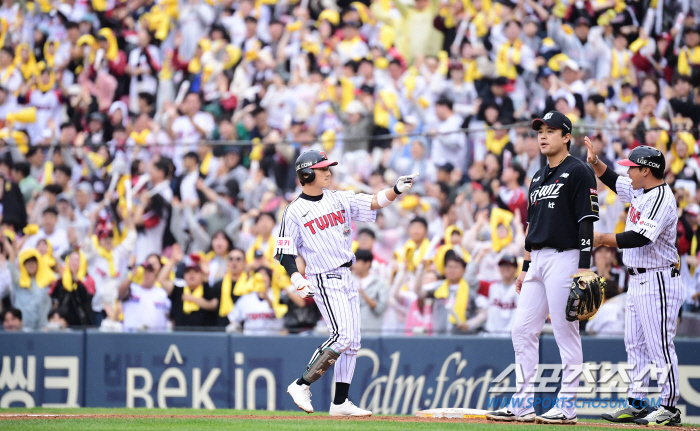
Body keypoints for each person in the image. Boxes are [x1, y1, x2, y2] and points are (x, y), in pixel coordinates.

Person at [277, 150, 418, 416]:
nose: (328, 172)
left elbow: (375, 201)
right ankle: (301, 384)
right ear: (306, 174)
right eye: (322, 168)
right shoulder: (294, 211)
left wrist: (396, 190)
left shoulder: (339, 198)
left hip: (346, 274)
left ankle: (340, 402)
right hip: (323, 276)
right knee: (342, 336)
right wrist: (297, 277)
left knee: (352, 341)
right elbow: (285, 252)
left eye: (328, 167)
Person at [486, 111, 599, 424]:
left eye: (551, 130)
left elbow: (587, 221)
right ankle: (521, 403)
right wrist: (524, 267)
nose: (543, 136)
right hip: (538, 259)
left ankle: (567, 406)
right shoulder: (537, 177)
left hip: (567, 256)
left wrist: (584, 266)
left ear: (566, 136)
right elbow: (530, 226)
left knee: (566, 333)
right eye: (540, 131)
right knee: (521, 329)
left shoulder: (578, 171)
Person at [585, 141, 683, 426]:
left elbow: (640, 237)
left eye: (632, 168)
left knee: (660, 346)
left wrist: (603, 239)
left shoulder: (662, 198)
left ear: (647, 171)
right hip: (637, 278)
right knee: (635, 344)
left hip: (658, 278)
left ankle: (669, 407)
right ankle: (637, 404)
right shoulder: (642, 188)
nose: (627, 172)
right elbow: (615, 181)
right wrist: (595, 162)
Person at [119, 262, 172, 333]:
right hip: (132, 335)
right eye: (143, 271)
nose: (146, 274)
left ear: (154, 275)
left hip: (157, 336)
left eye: (149, 272)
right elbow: (121, 292)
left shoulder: (162, 293)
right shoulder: (132, 288)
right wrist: (131, 277)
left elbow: (169, 313)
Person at [353, 249, 389, 335]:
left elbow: (380, 309)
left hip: (371, 333)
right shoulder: (349, 281)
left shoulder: (379, 283)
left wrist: (363, 293)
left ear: (367, 264)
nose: (354, 265)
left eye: (357, 262)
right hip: (352, 334)